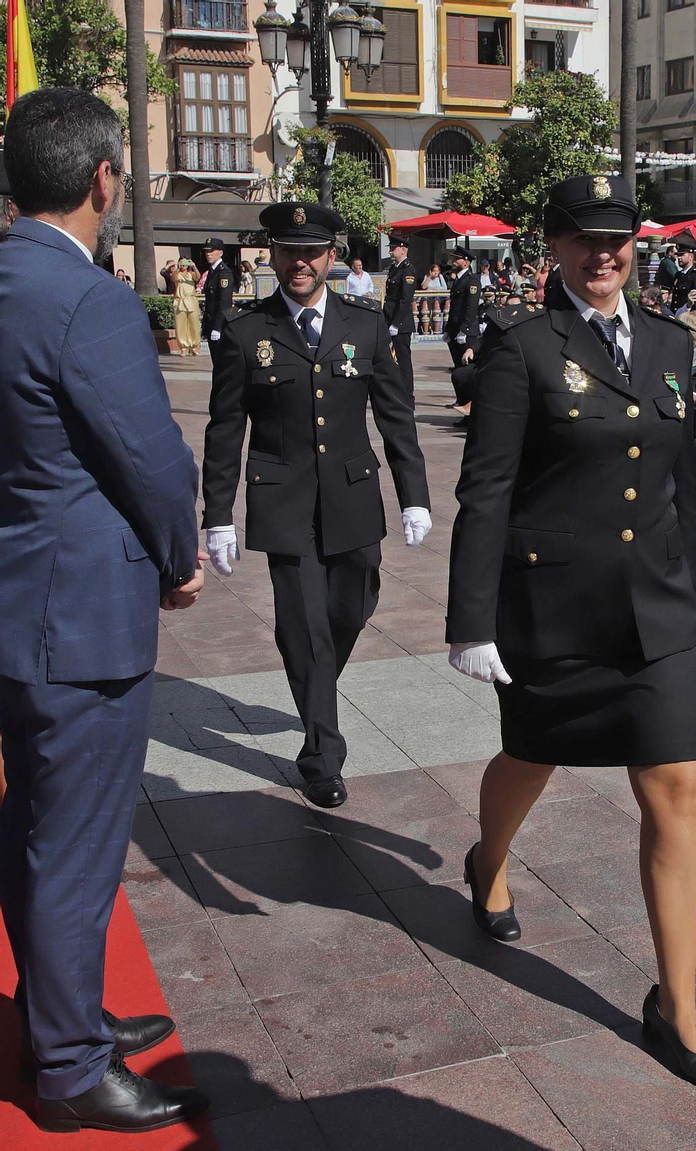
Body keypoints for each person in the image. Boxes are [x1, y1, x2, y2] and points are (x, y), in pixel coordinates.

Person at [445, 173, 696, 1094]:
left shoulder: (672, 344)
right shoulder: (522, 348)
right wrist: (470, 619)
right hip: (554, 606)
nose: (603, 254)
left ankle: (676, 1006)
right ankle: (488, 862)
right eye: (583, 239)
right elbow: (487, 488)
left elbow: (678, 482)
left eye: (618, 239)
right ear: (555, 247)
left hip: (652, 609)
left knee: (679, 786)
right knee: (529, 756)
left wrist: (684, 587)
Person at [0, 87, 208, 1134]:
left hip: (16, 605)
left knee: (31, 829)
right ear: (102, 180)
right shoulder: (89, 300)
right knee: (73, 847)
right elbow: (154, 461)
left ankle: (58, 1015)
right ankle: (71, 1064)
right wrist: (181, 558)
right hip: (81, 619)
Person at [201, 202, 432, 810]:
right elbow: (225, 429)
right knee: (303, 628)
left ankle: (315, 678)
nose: (299, 262)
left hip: (353, 496)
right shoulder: (247, 331)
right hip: (283, 502)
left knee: (352, 608)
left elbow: (395, 415)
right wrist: (217, 513)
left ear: (333, 256)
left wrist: (415, 496)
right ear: (272, 256)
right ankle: (321, 753)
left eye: (311, 252)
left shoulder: (365, 324)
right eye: (287, 251)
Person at [445, 249, 481, 410]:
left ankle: (469, 405)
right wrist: (449, 329)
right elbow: (454, 308)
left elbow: (470, 307)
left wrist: (464, 330)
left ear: (466, 262)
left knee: (466, 372)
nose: (454, 261)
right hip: (455, 330)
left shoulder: (471, 280)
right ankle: (461, 402)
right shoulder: (458, 280)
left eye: (457, 259)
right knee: (458, 371)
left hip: (466, 333)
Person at [384, 238, 418, 405]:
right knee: (391, 360)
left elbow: (405, 300)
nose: (391, 251)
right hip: (390, 320)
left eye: (394, 248)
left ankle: (407, 397)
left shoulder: (408, 270)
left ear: (403, 250)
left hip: (401, 324)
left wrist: (396, 324)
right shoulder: (394, 269)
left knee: (403, 362)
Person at [200, 236, 235, 348]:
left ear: (220, 253)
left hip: (219, 324)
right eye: (206, 251)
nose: (208, 254)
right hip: (211, 322)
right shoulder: (212, 271)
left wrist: (218, 327)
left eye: (211, 251)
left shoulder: (224, 273)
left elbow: (224, 302)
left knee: (221, 360)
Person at [173, 257, 202, 354]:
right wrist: (178, 267)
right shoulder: (177, 274)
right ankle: (183, 347)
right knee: (181, 325)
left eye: (185, 262)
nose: (184, 264)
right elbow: (173, 277)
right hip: (180, 300)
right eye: (182, 262)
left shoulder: (191, 274)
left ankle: (194, 346)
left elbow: (198, 277)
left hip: (191, 300)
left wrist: (194, 267)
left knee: (194, 324)